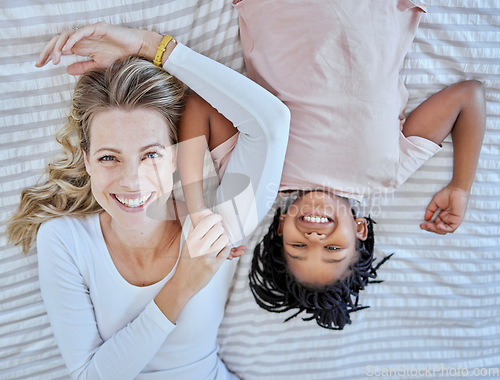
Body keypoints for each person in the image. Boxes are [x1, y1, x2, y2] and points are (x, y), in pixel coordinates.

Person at [7, 22, 289, 379]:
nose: (131, 181)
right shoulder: (65, 240)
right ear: (86, 160)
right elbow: (88, 375)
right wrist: (183, 284)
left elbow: (272, 122)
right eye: (109, 157)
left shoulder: (212, 224)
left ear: (175, 156)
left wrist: (151, 46)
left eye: (151, 155)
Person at [233, 0, 486, 330]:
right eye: (333, 248)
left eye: (299, 246)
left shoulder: (262, 176)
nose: (314, 236)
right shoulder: (387, 176)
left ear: (281, 227)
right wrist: (461, 186)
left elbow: (203, 110)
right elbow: (468, 96)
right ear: (360, 230)